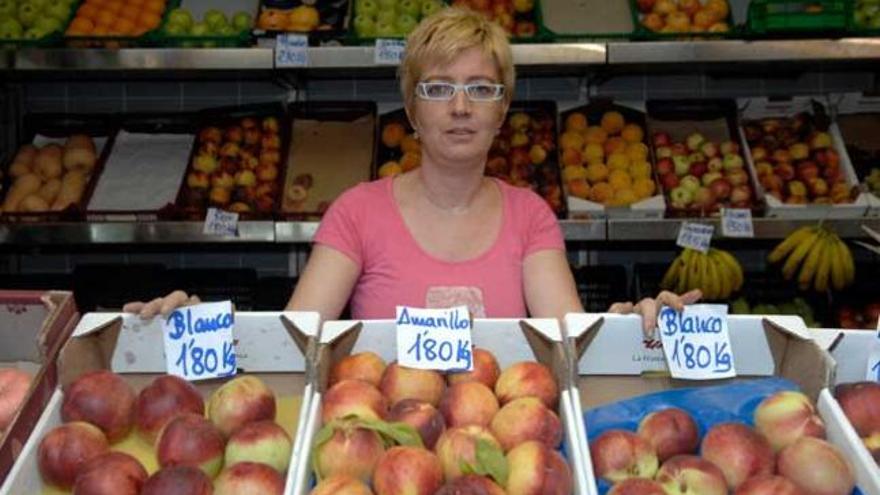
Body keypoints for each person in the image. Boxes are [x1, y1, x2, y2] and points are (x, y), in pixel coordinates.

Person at [125, 8, 699, 335]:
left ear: (502, 111)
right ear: (411, 111)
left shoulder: (530, 215)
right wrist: (205, 326)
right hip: (381, 445)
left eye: (480, 89)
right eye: (438, 89)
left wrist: (629, 326)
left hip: (502, 443)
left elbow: (570, 341)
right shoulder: (358, 211)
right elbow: (296, 339)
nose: (459, 107)